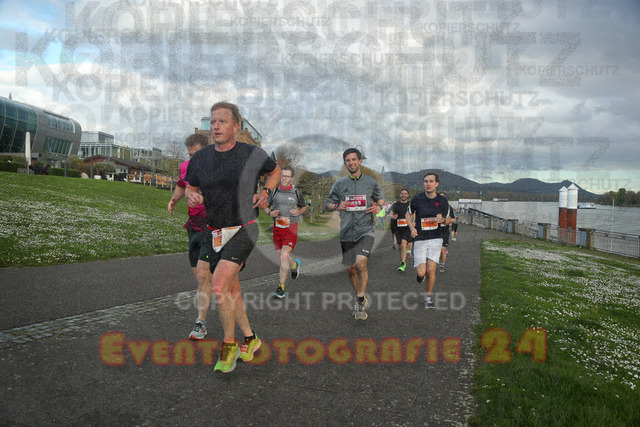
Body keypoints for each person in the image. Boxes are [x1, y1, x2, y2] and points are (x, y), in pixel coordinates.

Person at [185, 102, 281, 373]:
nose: (215, 126)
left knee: (218, 286)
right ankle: (251, 339)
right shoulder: (200, 158)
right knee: (232, 291)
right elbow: (191, 186)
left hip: (244, 227)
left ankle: (229, 345)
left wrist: (266, 192)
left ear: (236, 127)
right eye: (213, 121)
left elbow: (274, 171)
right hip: (214, 232)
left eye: (222, 122)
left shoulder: (252, 154)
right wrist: (192, 195)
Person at [325, 148, 384, 320]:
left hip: (366, 230)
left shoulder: (371, 182)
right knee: (351, 269)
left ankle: (359, 300)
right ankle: (360, 295)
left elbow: (380, 199)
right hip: (346, 232)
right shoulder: (339, 184)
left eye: (353, 159)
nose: (351, 163)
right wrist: (337, 206)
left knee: (360, 264)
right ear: (345, 164)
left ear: (360, 161)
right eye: (348, 160)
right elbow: (328, 204)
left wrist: (379, 207)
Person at [168, 133, 213, 340]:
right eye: (190, 155)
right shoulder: (186, 167)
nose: (193, 159)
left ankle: (200, 322)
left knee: (203, 275)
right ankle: (215, 286)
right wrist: (174, 200)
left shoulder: (216, 166)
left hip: (212, 225)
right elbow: (181, 184)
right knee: (199, 277)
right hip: (193, 226)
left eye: (197, 154)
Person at [406, 172, 449, 309]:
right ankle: (420, 276)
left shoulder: (442, 201)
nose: (428, 184)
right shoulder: (417, 199)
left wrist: (443, 220)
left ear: (437, 184)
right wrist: (411, 227)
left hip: (436, 238)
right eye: (426, 181)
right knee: (421, 272)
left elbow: (449, 219)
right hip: (420, 238)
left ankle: (428, 297)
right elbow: (408, 214)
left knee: (431, 270)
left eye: (431, 181)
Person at [264, 166, 307, 299]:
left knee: (284, 256)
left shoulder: (297, 193)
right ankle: (294, 265)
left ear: (292, 178)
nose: (283, 178)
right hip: (277, 228)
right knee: (281, 258)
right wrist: (270, 212)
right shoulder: (275, 191)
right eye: (282, 176)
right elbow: (265, 206)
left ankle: (281, 288)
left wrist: (298, 212)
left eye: (287, 176)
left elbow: (304, 207)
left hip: (291, 228)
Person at [389, 189, 412, 272]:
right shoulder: (395, 205)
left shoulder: (410, 204)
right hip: (398, 228)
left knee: (403, 244)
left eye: (405, 193)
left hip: (407, 228)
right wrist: (393, 216)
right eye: (402, 193)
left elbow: (414, 214)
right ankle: (403, 260)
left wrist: (413, 222)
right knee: (400, 246)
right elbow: (390, 214)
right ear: (400, 195)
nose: (403, 195)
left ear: (408, 195)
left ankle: (402, 262)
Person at [438, 191, 456, 273]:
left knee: (443, 249)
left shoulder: (449, 208)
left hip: (444, 230)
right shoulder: (433, 206)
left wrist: (447, 221)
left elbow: (454, 219)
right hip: (434, 230)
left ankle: (442, 265)